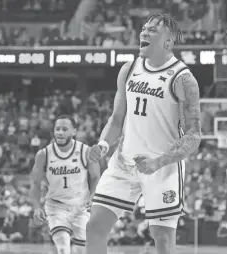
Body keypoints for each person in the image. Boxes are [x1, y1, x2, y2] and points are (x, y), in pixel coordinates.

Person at [86, 13, 202, 254]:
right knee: (95, 225)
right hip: (124, 162)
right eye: (144, 29)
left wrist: (158, 162)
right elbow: (116, 119)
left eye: (152, 30)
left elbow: (194, 135)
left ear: (168, 41)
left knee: (162, 238)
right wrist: (103, 145)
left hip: (162, 165)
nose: (143, 33)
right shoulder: (129, 69)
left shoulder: (183, 79)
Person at [30, 115, 100, 254]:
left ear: (74, 131)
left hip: (81, 206)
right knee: (63, 248)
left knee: (82, 251)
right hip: (56, 206)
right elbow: (35, 183)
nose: (60, 132)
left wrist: (92, 196)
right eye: (57, 129)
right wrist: (37, 207)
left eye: (64, 129)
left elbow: (96, 177)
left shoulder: (86, 152)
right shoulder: (43, 154)